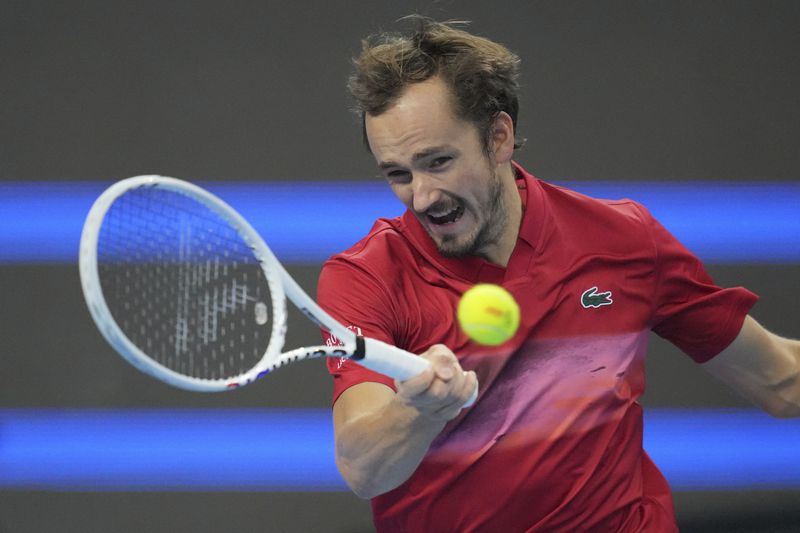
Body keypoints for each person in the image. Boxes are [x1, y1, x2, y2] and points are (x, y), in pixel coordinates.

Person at [316, 16, 799, 532]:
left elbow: (780, 381)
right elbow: (363, 469)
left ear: (499, 137)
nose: (423, 195)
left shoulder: (625, 240)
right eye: (399, 174)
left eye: (438, 161)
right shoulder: (363, 278)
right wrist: (421, 411)